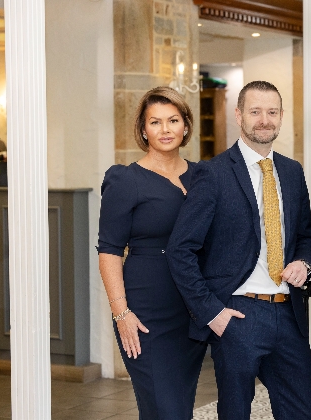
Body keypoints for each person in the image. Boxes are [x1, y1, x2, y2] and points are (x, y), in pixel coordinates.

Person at [166, 80, 311, 420]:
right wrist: (212, 313)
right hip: (237, 314)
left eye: (272, 112)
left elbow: (307, 235)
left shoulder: (292, 172)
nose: (264, 120)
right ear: (238, 115)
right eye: (255, 111)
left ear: (280, 117)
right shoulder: (214, 173)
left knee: (303, 411)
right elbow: (180, 250)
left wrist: (304, 262)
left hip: (288, 313)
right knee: (236, 413)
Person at [97, 86, 207, 420]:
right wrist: (121, 313)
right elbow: (109, 250)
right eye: (155, 122)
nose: (165, 129)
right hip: (146, 311)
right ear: (144, 130)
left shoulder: (203, 175)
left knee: (177, 409)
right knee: (165, 408)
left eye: (173, 120)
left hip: (192, 308)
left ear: (185, 126)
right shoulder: (125, 180)